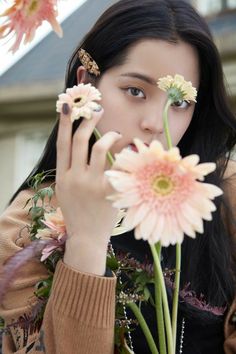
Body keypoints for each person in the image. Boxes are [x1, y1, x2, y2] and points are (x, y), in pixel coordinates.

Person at [0, 0, 236, 353]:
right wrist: (87, 241)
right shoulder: (25, 226)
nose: (155, 124)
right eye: (135, 91)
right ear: (86, 84)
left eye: (179, 102)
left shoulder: (223, 193)